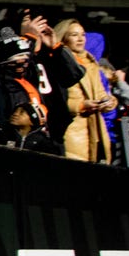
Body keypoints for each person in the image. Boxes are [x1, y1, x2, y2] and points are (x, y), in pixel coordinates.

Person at [53, 19, 114, 162]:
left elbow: (101, 93)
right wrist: (80, 105)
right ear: (63, 38)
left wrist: (109, 102)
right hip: (71, 129)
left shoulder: (90, 62)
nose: (80, 39)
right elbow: (55, 99)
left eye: (83, 35)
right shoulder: (57, 63)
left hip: (95, 128)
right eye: (74, 35)